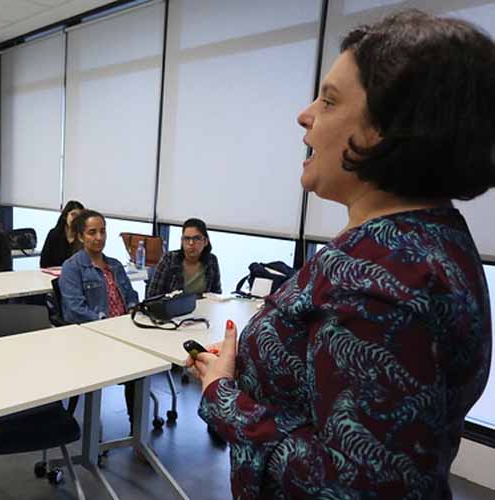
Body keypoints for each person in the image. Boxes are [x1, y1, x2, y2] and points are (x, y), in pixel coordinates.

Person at [186, 10, 494, 499]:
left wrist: (222, 397)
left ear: (384, 130)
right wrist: (246, 366)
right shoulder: (433, 241)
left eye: (328, 100)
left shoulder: (381, 278)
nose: (304, 115)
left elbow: (353, 485)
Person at [60, 210, 140, 428]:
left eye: (103, 231)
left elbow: (130, 295)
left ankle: (137, 431)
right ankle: (96, 437)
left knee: (143, 367)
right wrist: (107, 323)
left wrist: (133, 308)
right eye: (92, 232)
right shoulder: (72, 267)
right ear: (80, 236)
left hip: (124, 333)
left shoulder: (114, 265)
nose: (99, 237)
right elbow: (74, 310)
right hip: (94, 339)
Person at [146, 218, 221, 298]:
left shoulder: (211, 261)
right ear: (182, 241)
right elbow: (152, 295)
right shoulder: (169, 259)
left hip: (203, 308)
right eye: (187, 238)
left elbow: (216, 295)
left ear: (205, 241)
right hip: (172, 308)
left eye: (196, 238)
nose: (191, 243)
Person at [40, 200, 84, 268]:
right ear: (66, 216)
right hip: (53, 275)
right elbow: (43, 263)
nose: (76, 218)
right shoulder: (54, 234)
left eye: (79, 216)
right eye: (73, 214)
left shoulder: (83, 237)